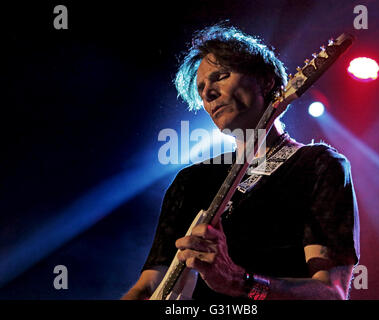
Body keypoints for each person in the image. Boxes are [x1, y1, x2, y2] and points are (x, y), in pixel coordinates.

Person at [121, 24, 360, 300]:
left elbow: (331, 294)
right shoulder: (190, 182)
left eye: (220, 76)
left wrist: (239, 282)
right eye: (201, 89)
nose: (208, 93)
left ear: (266, 81)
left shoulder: (319, 165)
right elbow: (148, 287)